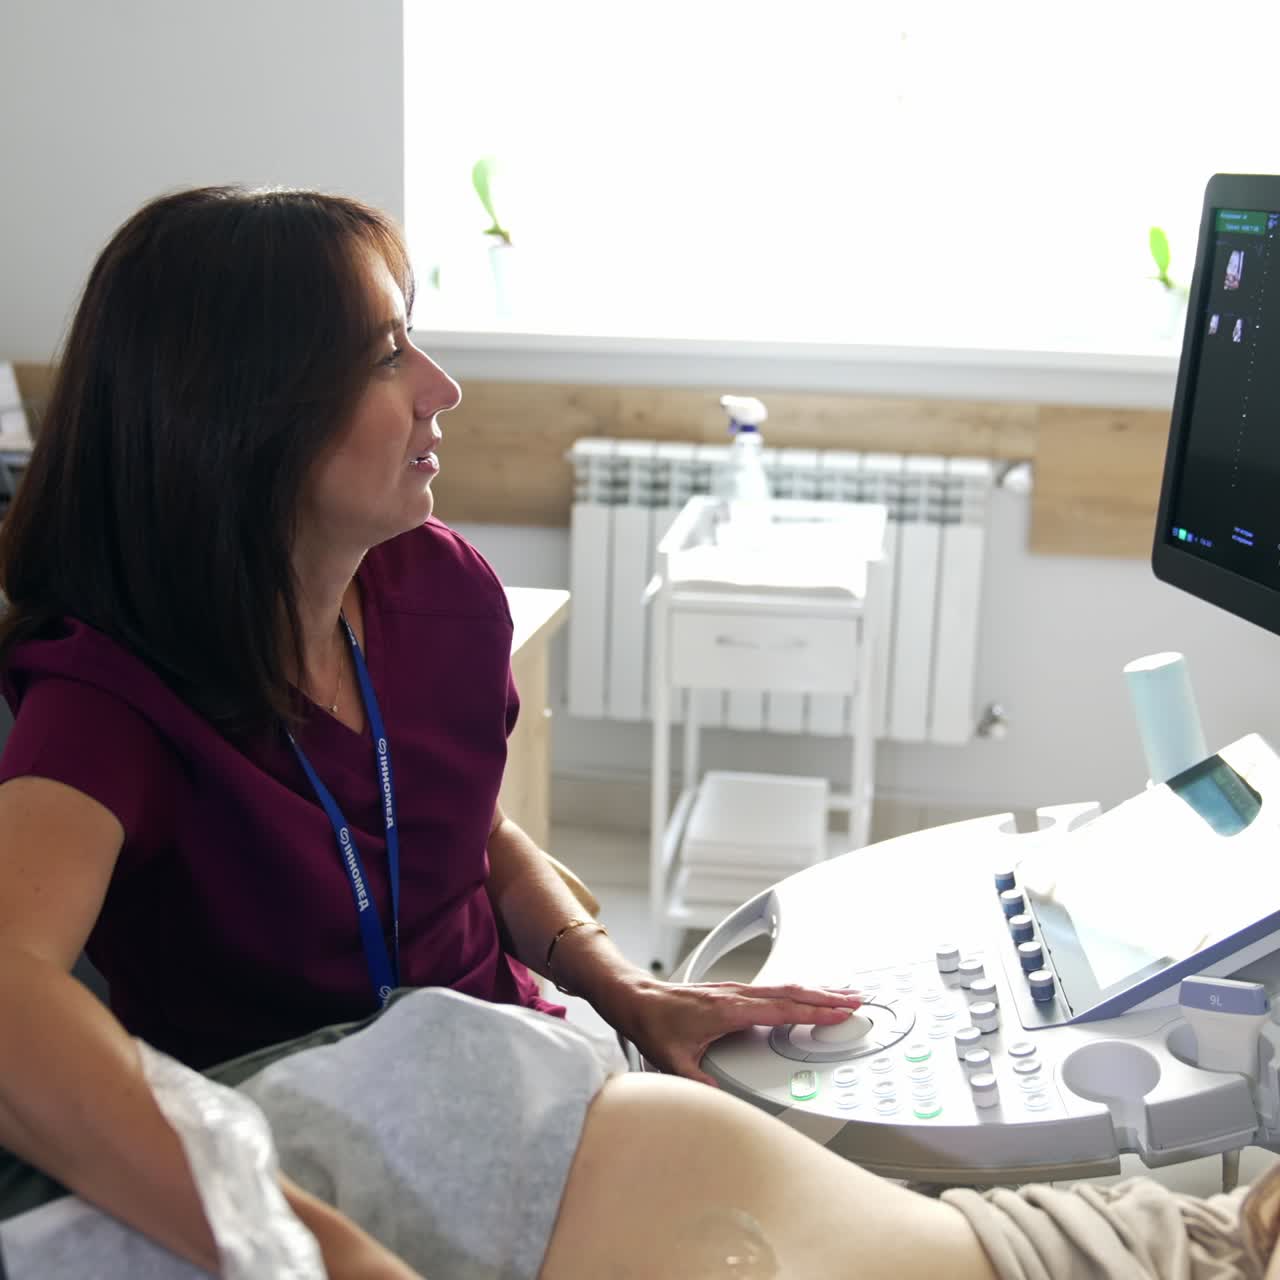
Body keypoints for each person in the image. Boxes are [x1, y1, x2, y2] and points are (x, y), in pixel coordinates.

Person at [1, 185, 1278, 1279]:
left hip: (526, 1079)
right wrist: (309, 1249)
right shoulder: (106, 703)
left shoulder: (434, 592)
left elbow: (457, 826)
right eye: (386, 355)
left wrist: (621, 983)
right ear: (245, 414)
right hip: (325, 1150)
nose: (443, 388)